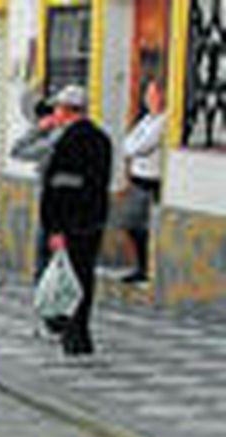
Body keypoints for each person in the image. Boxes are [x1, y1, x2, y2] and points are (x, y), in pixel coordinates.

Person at [10, 85, 111, 356]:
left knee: (60, 276)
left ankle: (65, 330)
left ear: (66, 111)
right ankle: (79, 334)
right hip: (93, 220)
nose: (54, 112)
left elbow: (60, 187)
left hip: (66, 222)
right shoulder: (102, 139)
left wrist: (55, 227)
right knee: (83, 277)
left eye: (58, 108)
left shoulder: (66, 141)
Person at [121, 79, 166, 284]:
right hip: (137, 179)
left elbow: (140, 147)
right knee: (132, 224)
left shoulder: (163, 121)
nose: (148, 99)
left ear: (163, 96)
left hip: (151, 181)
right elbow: (127, 144)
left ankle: (146, 268)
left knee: (142, 226)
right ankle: (140, 266)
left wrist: (132, 146)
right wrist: (131, 146)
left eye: (152, 94)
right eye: (147, 94)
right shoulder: (147, 119)